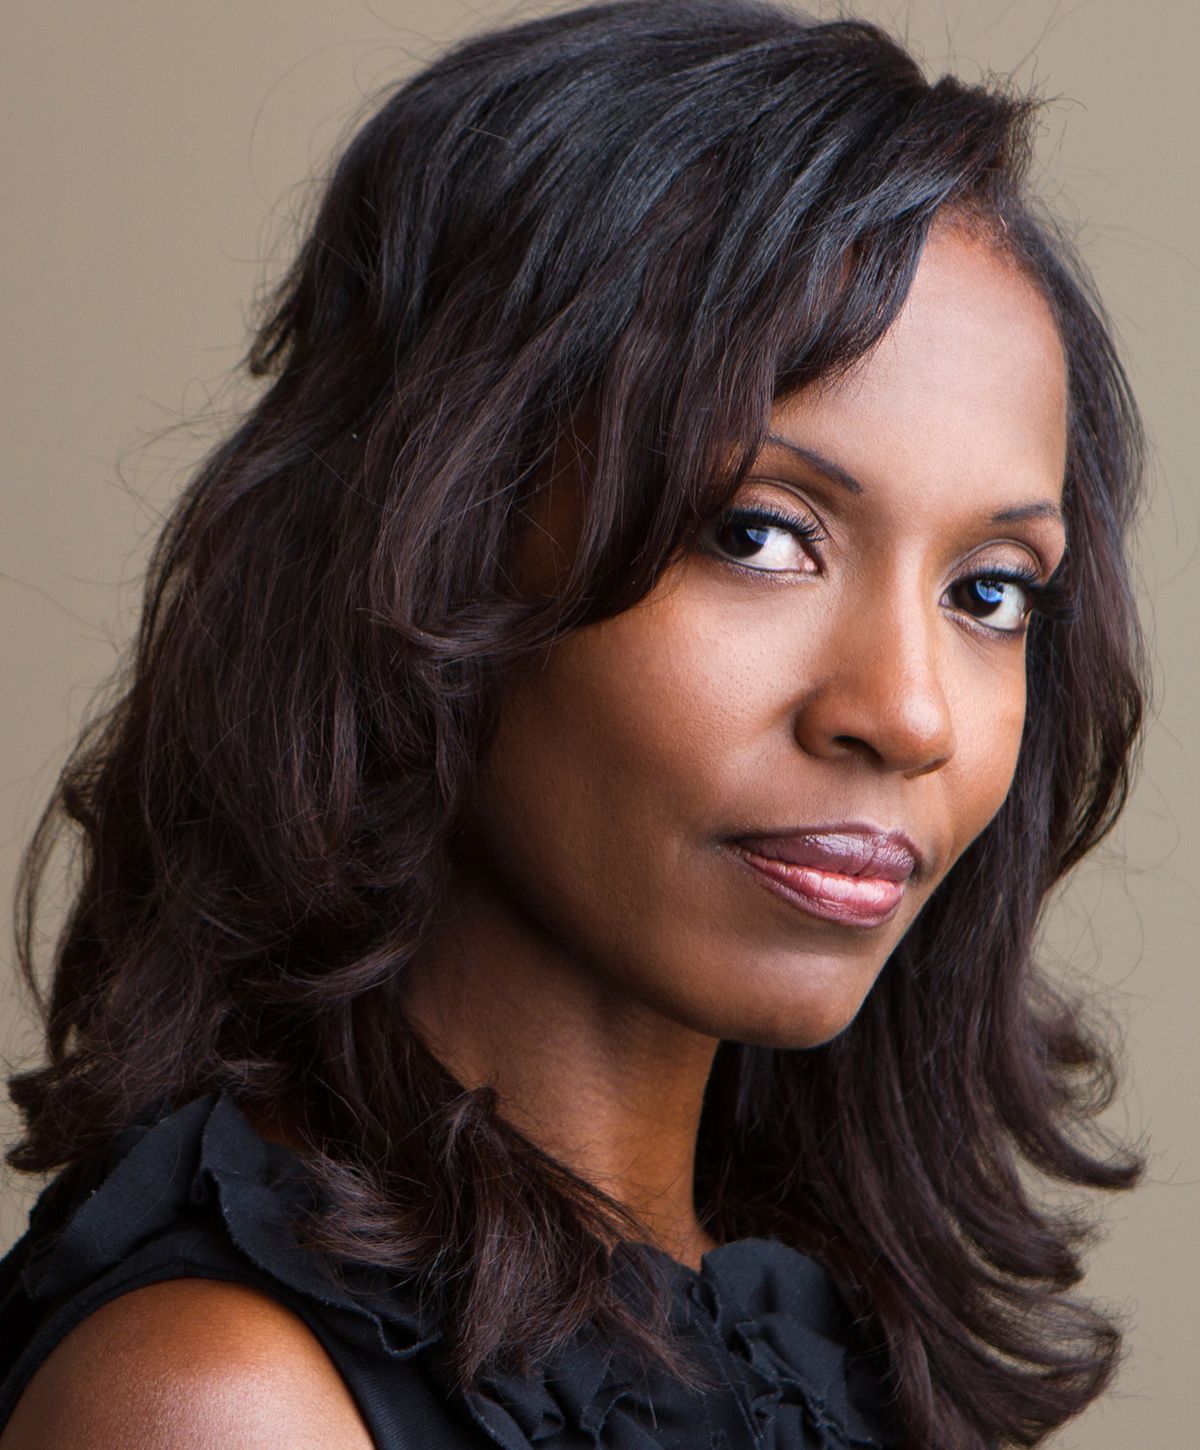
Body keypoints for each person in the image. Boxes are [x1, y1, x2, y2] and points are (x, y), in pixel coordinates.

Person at [0, 1, 1147, 1446]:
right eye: (757, 532)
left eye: (989, 590)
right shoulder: (229, 1401)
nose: (910, 712)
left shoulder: (828, 1343)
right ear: (436, 544)